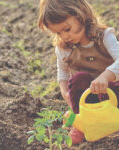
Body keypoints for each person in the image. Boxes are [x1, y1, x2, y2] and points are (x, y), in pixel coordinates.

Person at [38, 0, 119, 145]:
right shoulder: (64, 48)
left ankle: (111, 118)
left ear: (81, 15)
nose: (65, 36)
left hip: (112, 92)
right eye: (58, 32)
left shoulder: (104, 36)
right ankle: (80, 125)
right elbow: (62, 74)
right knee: (78, 79)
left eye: (67, 29)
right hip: (87, 99)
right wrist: (65, 92)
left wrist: (105, 77)